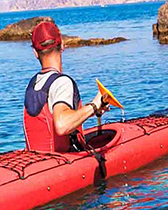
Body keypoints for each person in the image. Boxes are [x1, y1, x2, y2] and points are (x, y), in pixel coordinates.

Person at [23, 19, 110, 152]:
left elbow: (52, 114)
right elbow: (62, 125)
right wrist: (94, 106)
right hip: (60, 163)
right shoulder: (62, 82)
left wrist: (91, 112)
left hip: (36, 162)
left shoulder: (33, 83)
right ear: (62, 45)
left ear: (35, 52)